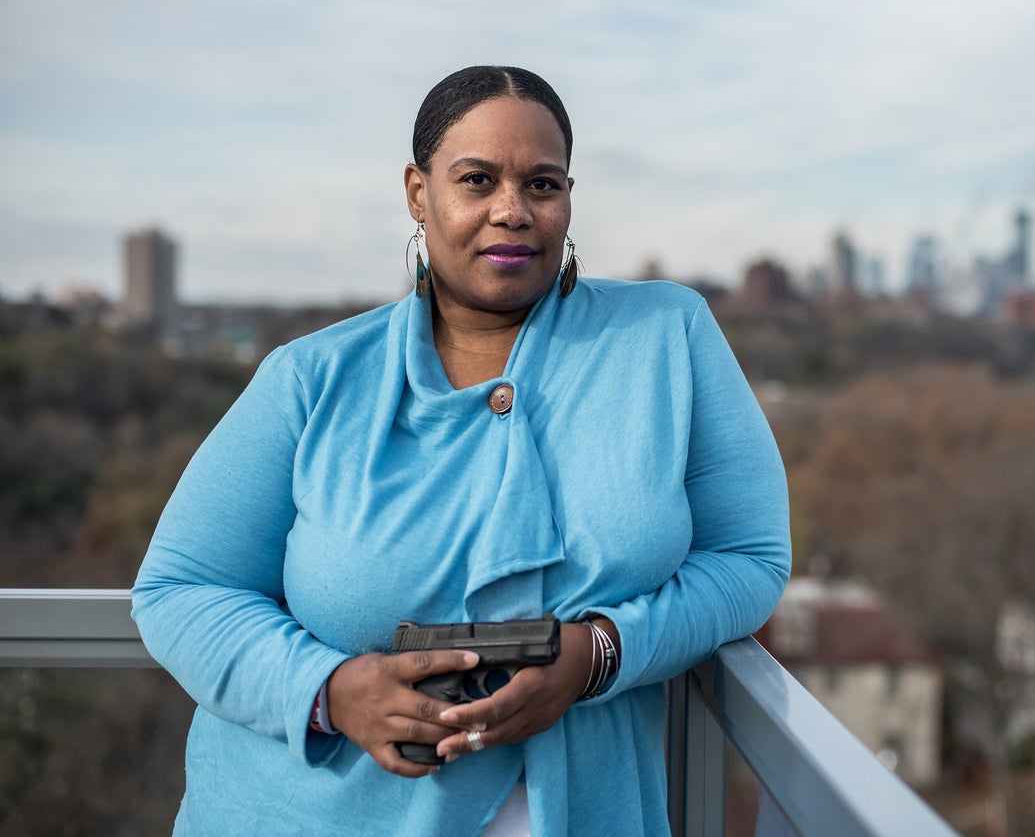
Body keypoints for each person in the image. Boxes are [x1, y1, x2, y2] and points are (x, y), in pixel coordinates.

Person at [132, 65, 790, 837]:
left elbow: (749, 557)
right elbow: (179, 590)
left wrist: (602, 652)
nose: (512, 210)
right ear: (418, 192)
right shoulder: (310, 378)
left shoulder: (667, 338)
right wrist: (331, 688)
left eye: (542, 185)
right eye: (477, 180)